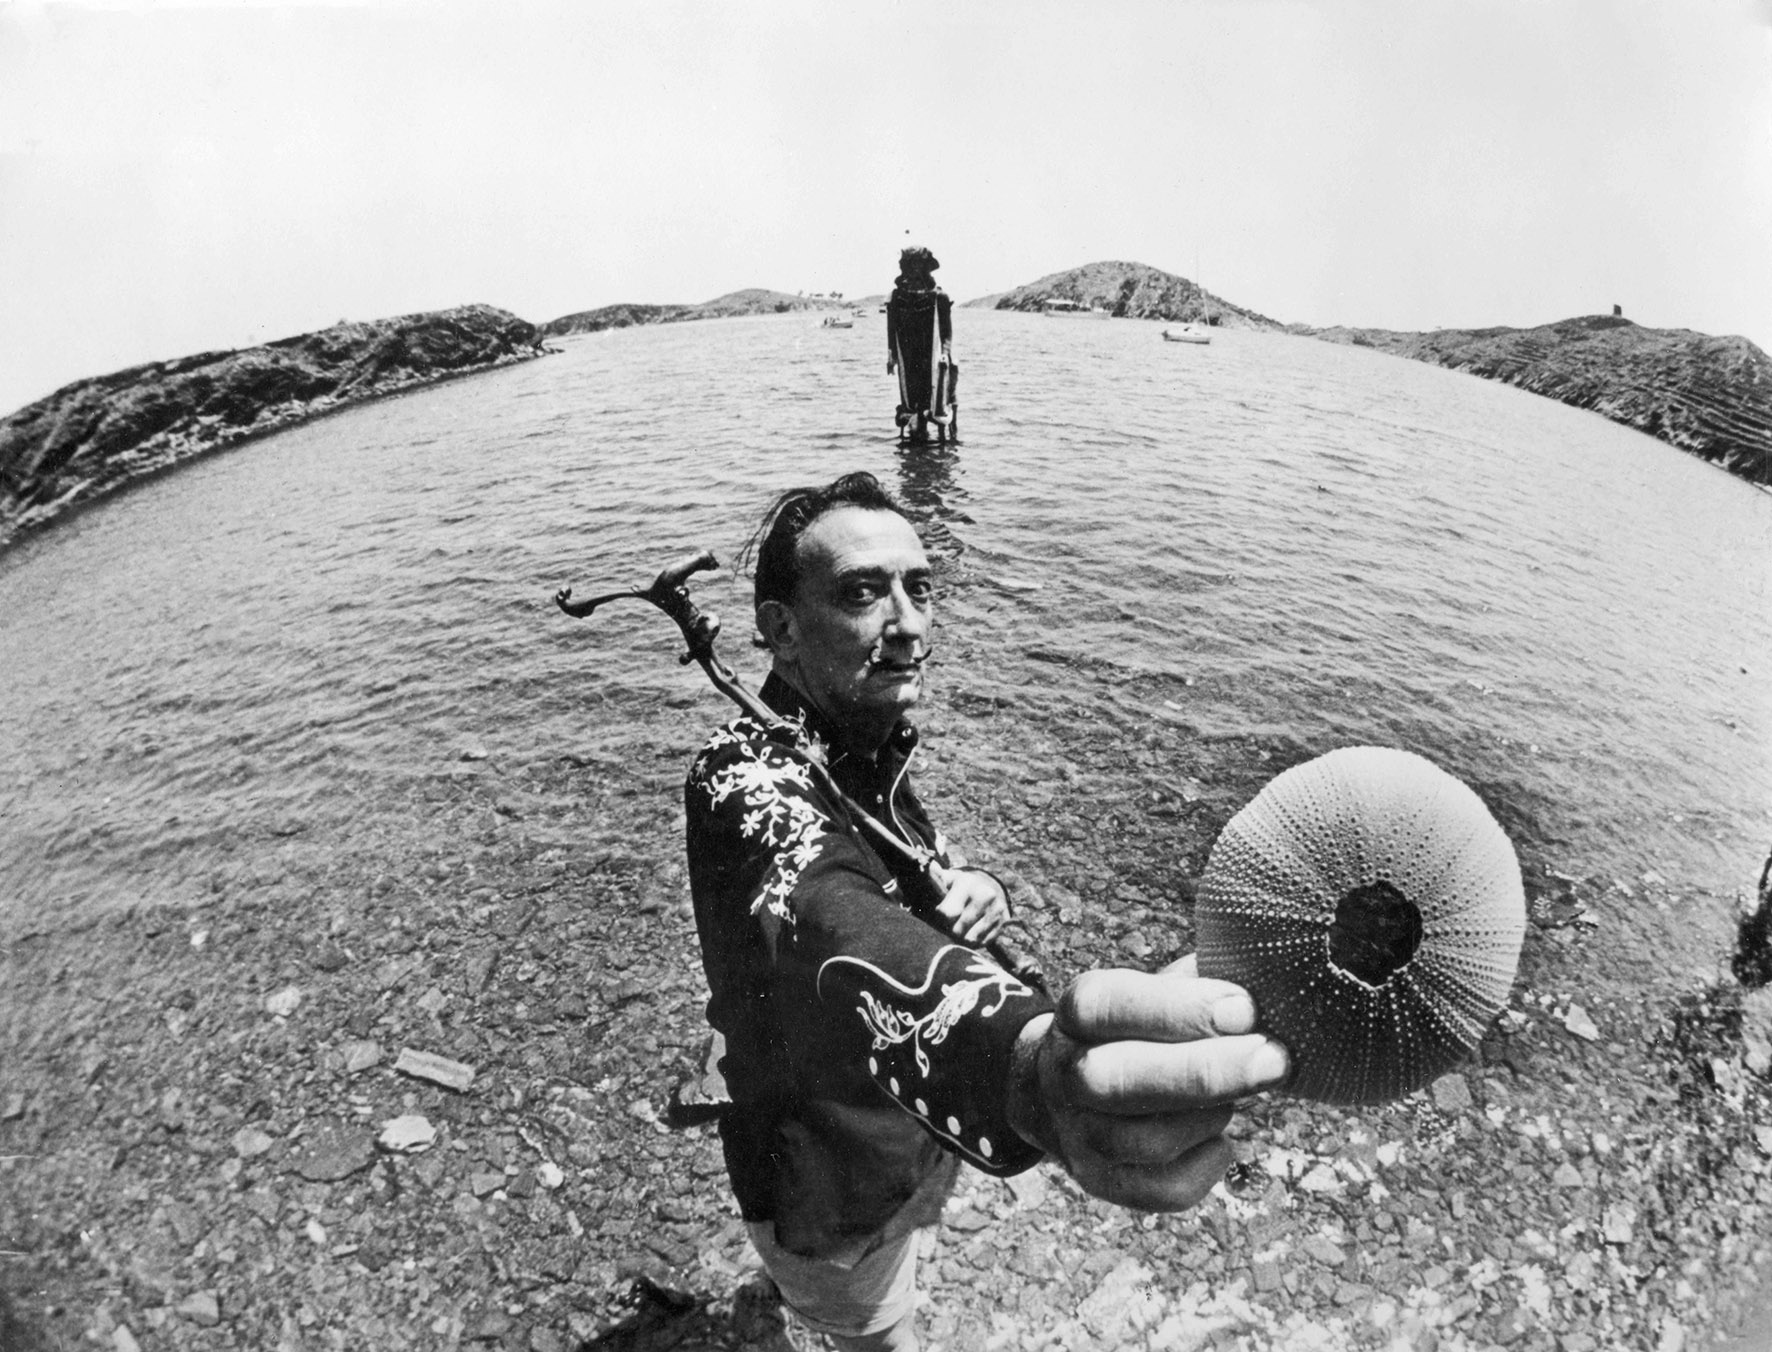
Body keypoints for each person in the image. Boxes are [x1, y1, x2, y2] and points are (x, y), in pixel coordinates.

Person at [684, 472, 1289, 1351]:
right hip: (831, 1175)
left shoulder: (854, 741)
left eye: (918, 587)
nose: (910, 622)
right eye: (862, 592)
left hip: (913, 1129)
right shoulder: (740, 779)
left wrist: (982, 886)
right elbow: (821, 907)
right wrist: (1025, 1067)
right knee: (873, 1335)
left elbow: (884, 877)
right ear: (780, 627)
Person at [884, 247, 955, 443]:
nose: (915, 270)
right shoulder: (897, 298)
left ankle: (927, 458)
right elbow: (892, 329)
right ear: (905, 268)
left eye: (919, 265)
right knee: (911, 399)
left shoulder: (939, 297)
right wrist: (891, 356)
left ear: (926, 268)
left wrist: (945, 353)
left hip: (931, 354)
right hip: (908, 355)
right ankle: (916, 438)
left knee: (932, 396)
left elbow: (946, 331)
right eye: (911, 265)